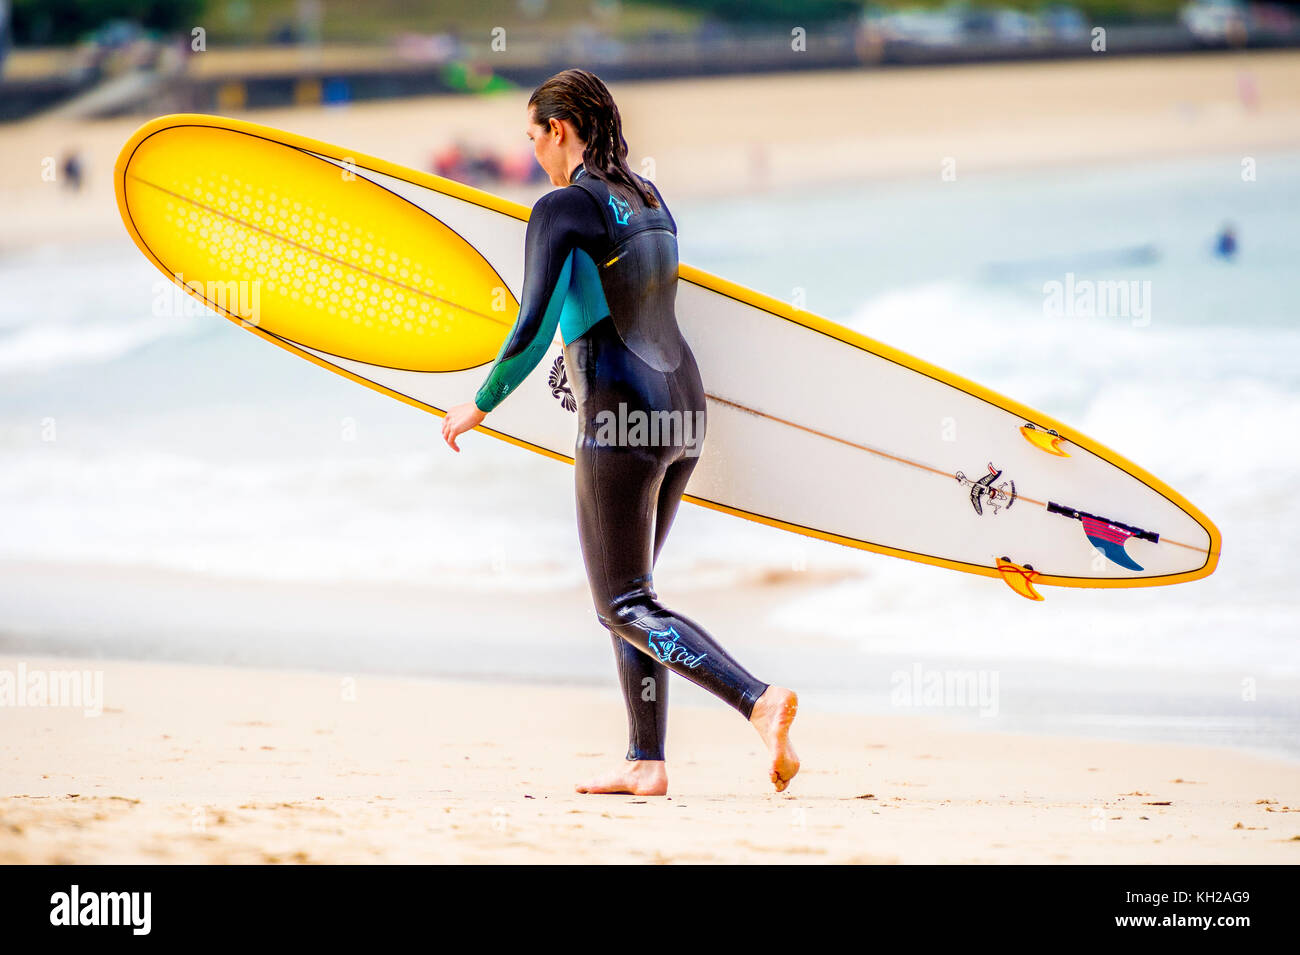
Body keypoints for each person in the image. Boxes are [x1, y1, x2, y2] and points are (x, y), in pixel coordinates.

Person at [440, 69, 799, 796]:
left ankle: (757, 700)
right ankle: (646, 760)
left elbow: (533, 323)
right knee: (632, 593)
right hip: (684, 413)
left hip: (619, 418)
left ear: (560, 130)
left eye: (534, 136)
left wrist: (478, 403)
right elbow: (630, 301)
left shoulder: (560, 207)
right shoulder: (649, 199)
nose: (534, 151)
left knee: (624, 601)